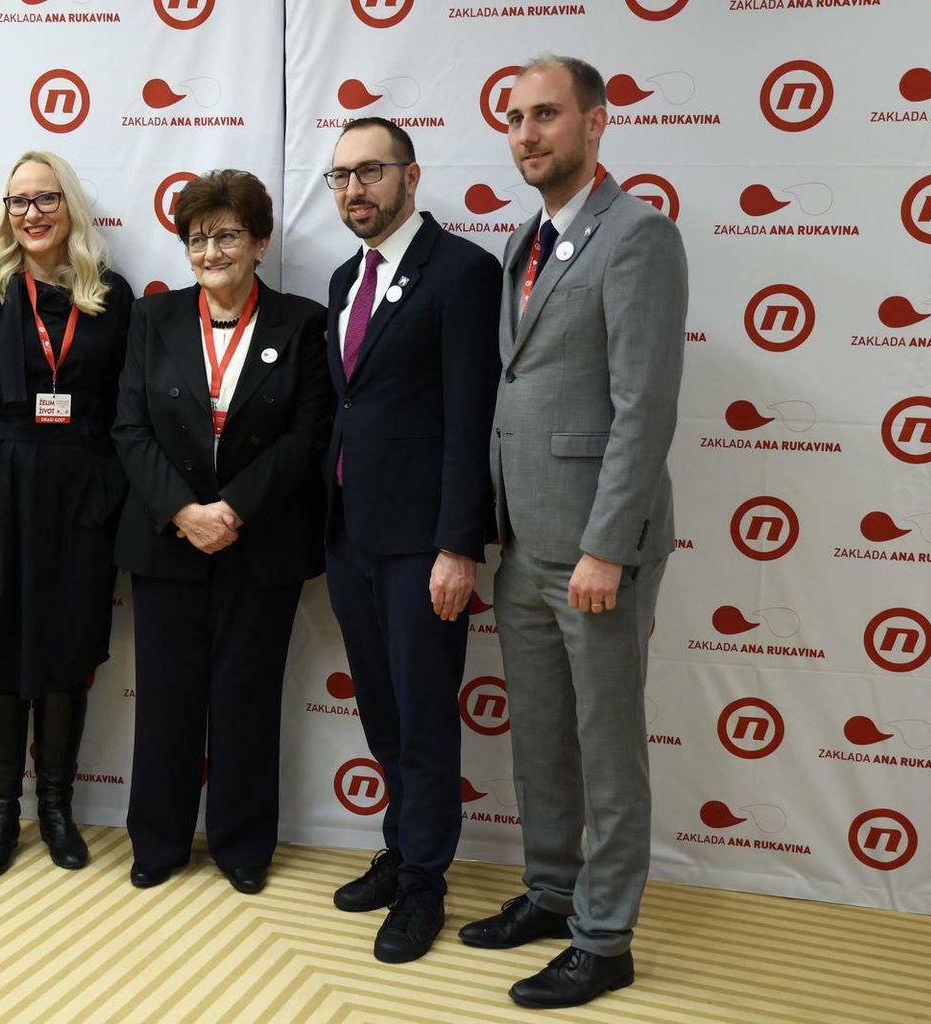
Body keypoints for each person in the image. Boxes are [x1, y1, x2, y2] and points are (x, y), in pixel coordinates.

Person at [463, 56, 687, 1010]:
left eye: (547, 114)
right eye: (516, 118)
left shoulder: (638, 236)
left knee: (607, 748)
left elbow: (645, 407)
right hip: (524, 542)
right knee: (543, 740)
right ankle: (552, 893)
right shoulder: (525, 239)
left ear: (596, 123)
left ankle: (605, 938)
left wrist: (608, 545)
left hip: (598, 550)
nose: (527, 133)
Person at [112, 170, 332, 895]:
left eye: (228, 236)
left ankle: (242, 843)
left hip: (259, 543)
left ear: (260, 242)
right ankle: (159, 839)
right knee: (166, 698)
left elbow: (307, 435)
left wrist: (232, 508)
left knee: (247, 697)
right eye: (198, 238)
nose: (212, 252)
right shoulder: (153, 318)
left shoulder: (303, 323)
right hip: (167, 539)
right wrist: (184, 510)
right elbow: (130, 428)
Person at [320, 118, 502, 962]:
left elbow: (471, 418)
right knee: (383, 712)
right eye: (341, 176)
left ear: (411, 176)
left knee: (425, 717)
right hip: (350, 536)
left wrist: (458, 546)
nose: (355, 189)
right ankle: (402, 850)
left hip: (424, 545)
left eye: (371, 171)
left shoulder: (463, 272)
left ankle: (425, 882)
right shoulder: (343, 279)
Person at [0, 151, 134, 877]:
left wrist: (111, 496)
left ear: (68, 206)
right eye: (18, 201)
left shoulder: (108, 294)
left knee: (67, 648)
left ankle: (55, 807)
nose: (32, 213)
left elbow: (127, 409)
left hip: (79, 492)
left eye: (46, 198)